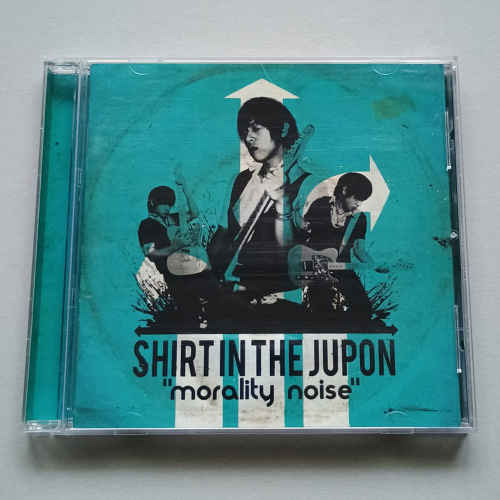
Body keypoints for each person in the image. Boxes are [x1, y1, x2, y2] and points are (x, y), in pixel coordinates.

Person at [211, 97, 311, 308]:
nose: (248, 138)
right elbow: (222, 235)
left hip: (278, 304)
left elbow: (295, 255)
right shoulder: (239, 181)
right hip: (231, 298)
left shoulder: (307, 186)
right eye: (244, 131)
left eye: (256, 128)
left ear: (283, 129)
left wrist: (282, 203)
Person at [300, 172, 388, 327]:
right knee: (321, 312)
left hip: (341, 266)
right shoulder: (321, 203)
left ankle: (340, 325)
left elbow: (359, 250)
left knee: (364, 310)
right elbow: (302, 231)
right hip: (317, 267)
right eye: (357, 198)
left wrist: (375, 265)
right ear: (345, 190)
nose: (359, 203)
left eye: (362, 200)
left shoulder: (359, 218)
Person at [138, 177, 223, 329]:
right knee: (188, 311)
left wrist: (185, 188)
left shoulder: (174, 218)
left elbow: (195, 212)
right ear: (153, 203)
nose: (167, 208)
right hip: (173, 272)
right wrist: (175, 247)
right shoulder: (146, 225)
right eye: (164, 203)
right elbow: (151, 254)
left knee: (219, 296)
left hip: (192, 264)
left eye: (169, 204)